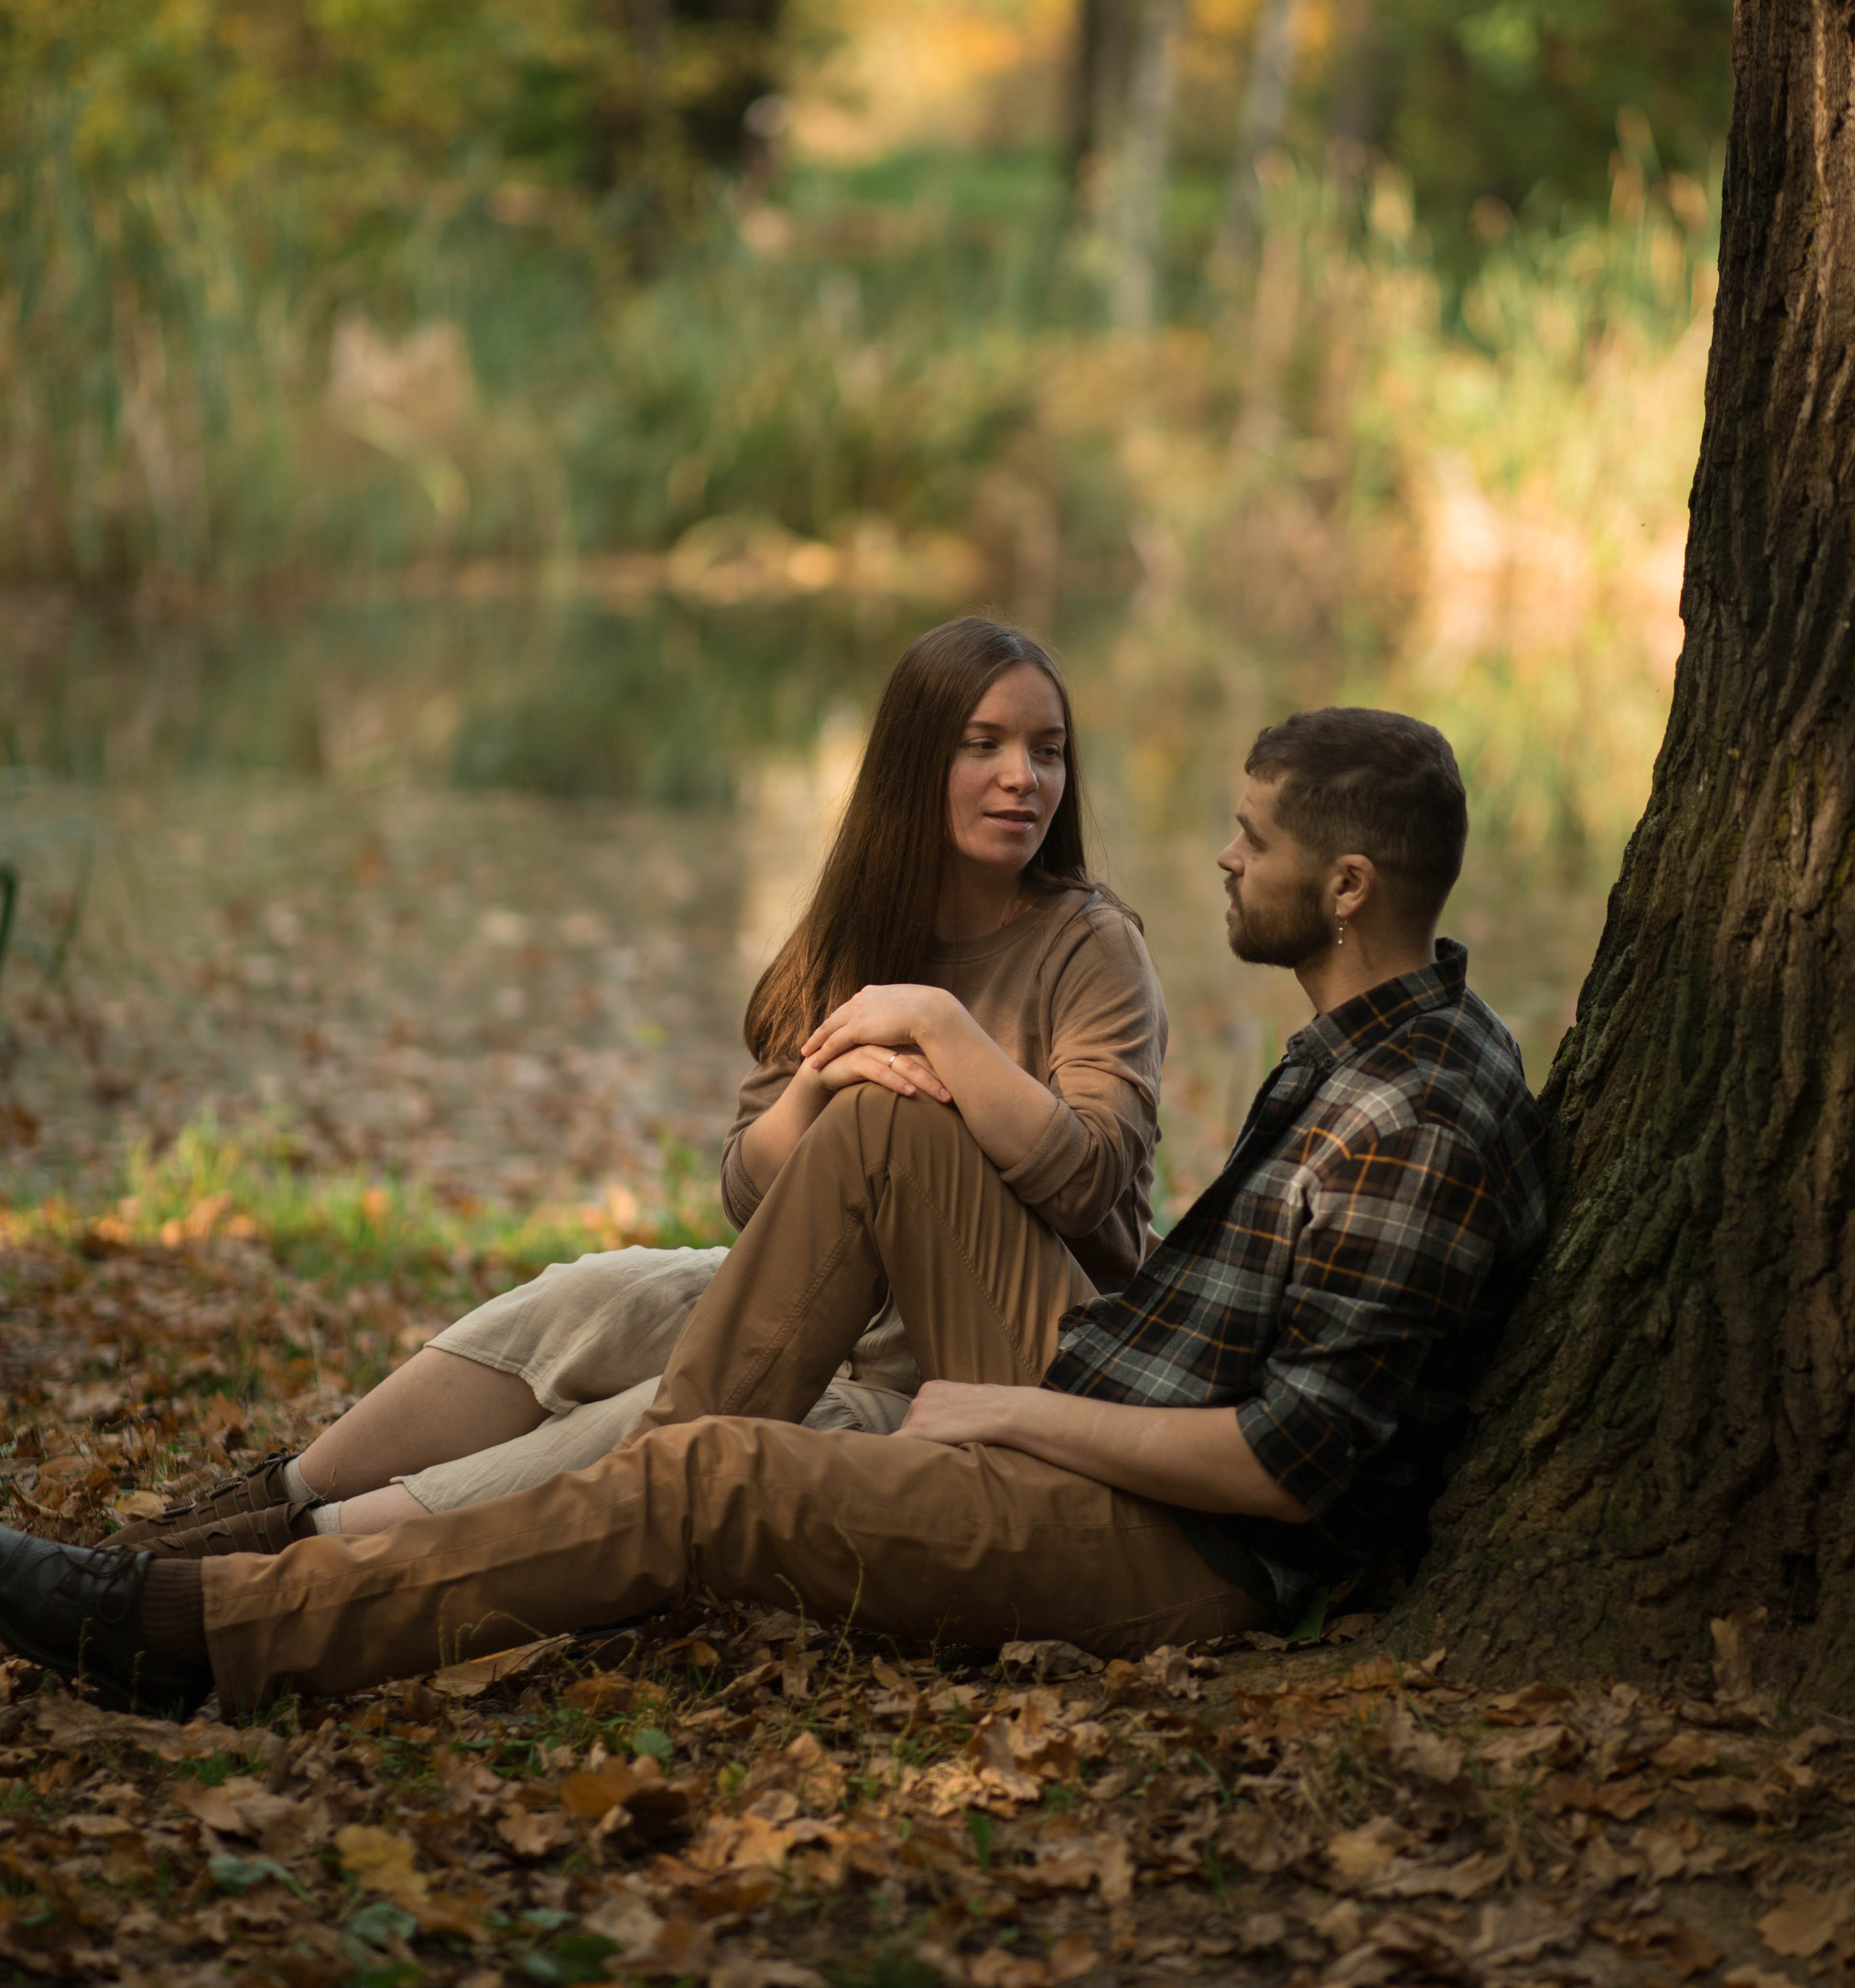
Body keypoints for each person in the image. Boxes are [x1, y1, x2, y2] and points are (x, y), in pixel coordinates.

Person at [0, 707, 1548, 1718]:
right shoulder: (1375, 1039)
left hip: (1183, 1550)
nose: (1223, 854)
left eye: (1254, 839)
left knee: (704, 1480)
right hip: (1120, 1392)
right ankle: (601, 1510)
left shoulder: (1408, 1120)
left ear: (1347, 887)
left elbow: (1285, 1471)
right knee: (876, 1135)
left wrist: (1010, 1414)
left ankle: (212, 1633)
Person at [102, 616, 1167, 1553]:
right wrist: (815, 1089)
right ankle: (272, 1497)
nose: (1023, 778)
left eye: (1047, 751)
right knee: (593, 1300)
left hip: (984, 1349)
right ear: (911, 762)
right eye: (983, 746)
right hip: (825, 1291)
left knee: (644, 1419)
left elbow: (1091, 1186)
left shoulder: (1090, 947)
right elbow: (748, 1195)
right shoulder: (851, 934)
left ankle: (297, 1555)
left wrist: (941, 1025)